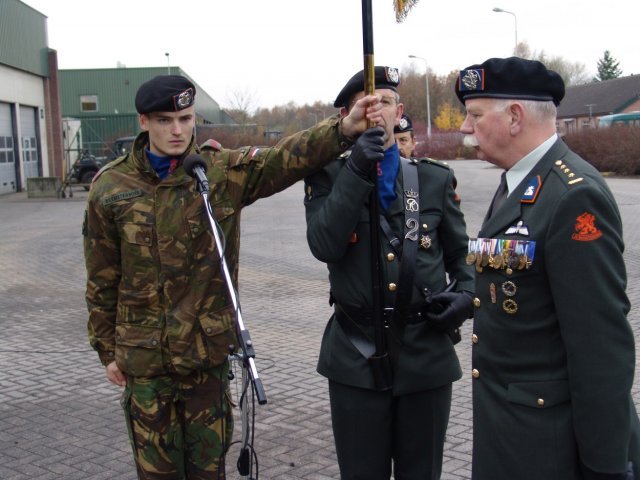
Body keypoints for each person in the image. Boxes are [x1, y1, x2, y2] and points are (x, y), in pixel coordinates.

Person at [83, 74, 384, 480]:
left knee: (210, 472)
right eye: (164, 121)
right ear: (144, 122)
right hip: (145, 364)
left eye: (186, 119)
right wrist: (107, 351)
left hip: (205, 360)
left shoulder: (217, 172)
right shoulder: (111, 188)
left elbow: (283, 159)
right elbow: (102, 279)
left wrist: (343, 129)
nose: (177, 131)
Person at [456, 56, 640, 480]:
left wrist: (605, 465)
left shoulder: (572, 196)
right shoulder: (517, 181)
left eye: (475, 115)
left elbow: (600, 349)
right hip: (513, 434)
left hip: (548, 446)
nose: (465, 128)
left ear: (514, 117)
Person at [304, 66, 475, 479]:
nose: (375, 109)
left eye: (384, 101)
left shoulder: (433, 178)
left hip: (425, 353)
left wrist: (468, 296)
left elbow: (463, 256)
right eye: (365, 102)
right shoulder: (327, 175)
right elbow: (324, 245)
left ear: (399, 111)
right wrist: (356, 171)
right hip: (356, 354)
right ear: (347, 115)